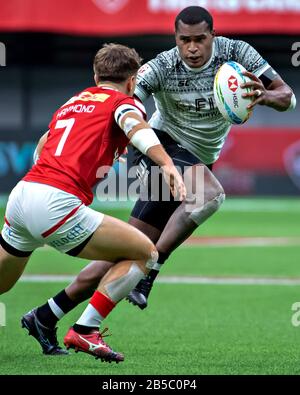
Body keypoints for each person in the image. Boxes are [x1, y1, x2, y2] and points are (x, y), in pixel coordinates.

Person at [19, 6, 296, 355]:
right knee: (209, 195)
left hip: (197, 158)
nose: (192, 48)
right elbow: (126, 100)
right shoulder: (162, 65)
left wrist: (262, 96)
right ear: (175, 39)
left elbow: (288, 97)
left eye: (200, 39)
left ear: (214, 36)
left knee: (123, 251)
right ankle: (152, 268)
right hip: (160, 149)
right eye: (185, 40)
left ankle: (45, 314)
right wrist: (124, 135)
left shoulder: (238, 53)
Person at [0, 43, 186, 362]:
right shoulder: (122, 102)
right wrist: (168, 165)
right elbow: (135, 126)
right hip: (55, 204)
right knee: (145, 253)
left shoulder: (72, 103)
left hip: (23, 195)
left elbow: (43, 148)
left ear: (96, 75)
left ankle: (47, 320)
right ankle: (86, 330)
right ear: (132, 81)